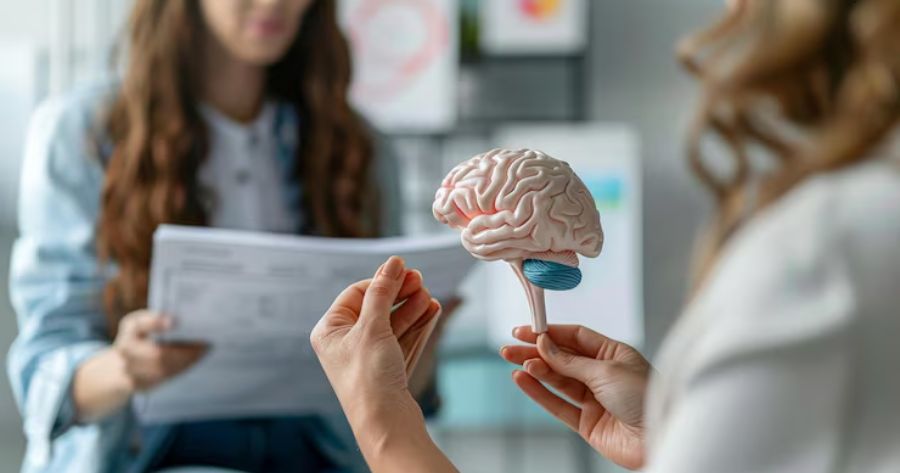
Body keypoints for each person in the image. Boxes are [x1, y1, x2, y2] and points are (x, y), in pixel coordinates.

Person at [311, 0, 900, 471]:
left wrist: (380, 422)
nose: (726, 15)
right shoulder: (854, 229)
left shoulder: (825, 253)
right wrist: (666, 436)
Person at [7, 0, 446, 472]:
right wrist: (124, 367)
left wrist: (414, 338)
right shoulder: (83, 133)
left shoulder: (360, 147)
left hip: (321, 450)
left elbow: (406, 396)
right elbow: (43, 376)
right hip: (143, 453)